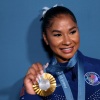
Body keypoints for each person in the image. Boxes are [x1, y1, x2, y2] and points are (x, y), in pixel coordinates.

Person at [20, 5, 100, 100]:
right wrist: (30, 93)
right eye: (58, 35)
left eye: (72, 32)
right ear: (45, 38)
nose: (67, 41)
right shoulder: (39, 79)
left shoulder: (97, 67)